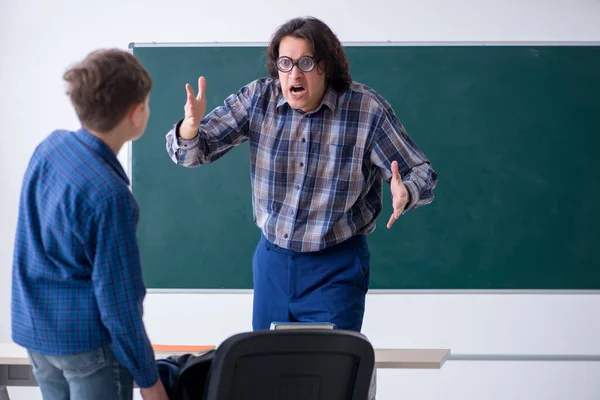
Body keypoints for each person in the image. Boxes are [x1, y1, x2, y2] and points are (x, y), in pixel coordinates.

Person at [165, 16, 438, 332]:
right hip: (273, 264)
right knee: (266, 371)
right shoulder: (258, 98)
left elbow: (420, 171)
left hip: (335, 268)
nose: (294, 73)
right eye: (285, 63)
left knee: (330, 374)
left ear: (327, 66)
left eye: (305, 62)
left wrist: (407, 191)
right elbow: (192, 152)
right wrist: (190, 126)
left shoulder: (365, 110)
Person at [11, 49, 168, 400]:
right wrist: (149, 380)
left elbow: (27, 244)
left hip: (38, 336)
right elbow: (120, 304)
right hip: (87, 346)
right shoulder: (110, 196)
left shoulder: (50, 147)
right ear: (136, 114)